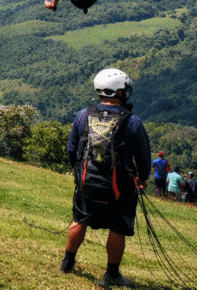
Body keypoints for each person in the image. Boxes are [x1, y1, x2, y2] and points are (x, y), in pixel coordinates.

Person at [60, 68, 151, 288]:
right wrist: (142, 178)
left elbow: (72, 148)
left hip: (86, 181)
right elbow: (144, 158)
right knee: (118, 228)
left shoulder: (84, 115)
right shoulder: (133, 122)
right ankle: (111, 274)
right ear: (119, 93)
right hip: (119, 187)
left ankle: (67, 263)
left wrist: (77, 170)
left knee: (79, 219)